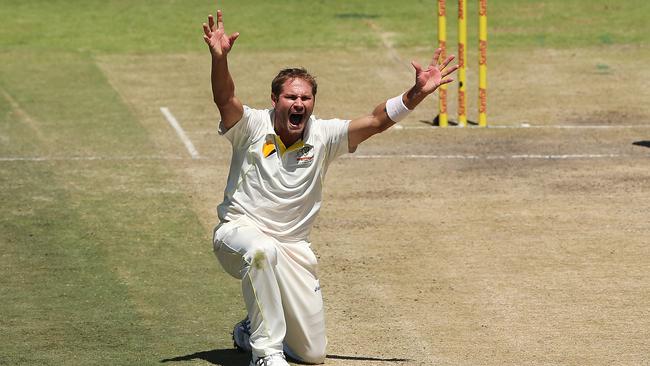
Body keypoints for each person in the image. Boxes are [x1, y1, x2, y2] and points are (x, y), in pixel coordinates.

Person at [202, 9, 458, 366]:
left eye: (305, 99)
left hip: (293, 250)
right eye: (291, 97)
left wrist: (416, 93)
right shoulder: (250, 126)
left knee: (312, 354)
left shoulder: (323, 135)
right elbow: (224, 97)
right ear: (275, 100)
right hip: (238, 235)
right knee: (261, 251)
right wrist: (220, 59)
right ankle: (266, 352)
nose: (299, 104)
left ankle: (248, 331)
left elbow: (376, 121)